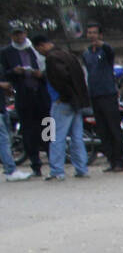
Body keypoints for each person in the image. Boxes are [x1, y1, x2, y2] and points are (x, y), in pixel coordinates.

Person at [33, 35, 89, 181]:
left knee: (55, 136)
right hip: (76, 101)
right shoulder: (68, 54)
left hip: (62, 102)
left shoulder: (51, 58)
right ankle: (81, 168)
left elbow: (61, 79)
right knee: (77, 137)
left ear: (41, 46)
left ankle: (57, 170)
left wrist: (62, 97)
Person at [2, 25, 50, 178]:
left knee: (48, 127)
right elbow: (4, 75)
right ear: (11, 36)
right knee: (29, 132)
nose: (19, 37)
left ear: (25, 33)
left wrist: (40, 74)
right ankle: (36, 164)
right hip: (23, 96)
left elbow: (50, 70)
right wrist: (14, 72)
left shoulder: (35, 49)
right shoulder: (6, 53)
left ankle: (55, 161)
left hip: (42, 94)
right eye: (16, 34)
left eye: (21, 33)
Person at [83, 23, 123, 173]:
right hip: (94, 95)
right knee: (102, 130)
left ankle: (120, 160)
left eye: (95, 32)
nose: (92, 35)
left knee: (114, 127)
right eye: (89, 33)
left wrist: (103, 44)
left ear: (100, 35)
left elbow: (110, 51)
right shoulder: (87, 53)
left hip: (108, 94)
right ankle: (111, 159)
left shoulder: (106, 50)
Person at [1, 79, 32, 181]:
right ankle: (11, 171)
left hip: (2, 107)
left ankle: (10, 170)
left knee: (7, 140)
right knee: (4, 140)